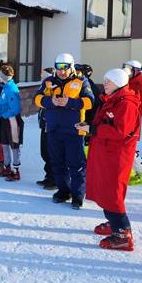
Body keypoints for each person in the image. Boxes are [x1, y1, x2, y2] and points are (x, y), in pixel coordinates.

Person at [83, 68, 140, 251]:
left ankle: (123, 233)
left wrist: (93, 130)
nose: (105, 84)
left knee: (113, 192)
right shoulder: (111, 99)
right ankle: (113, 223)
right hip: (106, 153)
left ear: (119, 83)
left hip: (116, 156)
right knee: (104, 190)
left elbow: (120, 131)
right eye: (105, 80)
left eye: (109, 81)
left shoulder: (126, 104)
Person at [34, 53, 94, 209]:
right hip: (53, 129)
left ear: (71, 67)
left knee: (76, 164)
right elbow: (37, 99)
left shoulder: (81, 81)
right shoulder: (49, 82)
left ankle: (77, 195)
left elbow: (90, 102)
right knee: (57, 162)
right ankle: (63, 191)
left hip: (74, 131)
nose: (61, 71)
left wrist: (70, 102)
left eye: (65, 68)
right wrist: (50, 101)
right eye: (58, 67)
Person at [122, 60, 142, 186]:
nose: (126, 70)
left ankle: (141, 173)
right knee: (125, 149)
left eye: (129, 68)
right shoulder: (124, 83)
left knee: (130, 150)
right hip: (122, 121)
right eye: (125, 67)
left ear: (136, 71)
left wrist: (130, 116)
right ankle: (131, 172)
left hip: (132, 123)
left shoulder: (140, 86)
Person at [0, 65, 23, 181]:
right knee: (5, 143)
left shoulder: (11, 89)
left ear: (4, 77)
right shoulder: (6, 87)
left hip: (12, 120)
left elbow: (15, 108)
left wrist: (4, 114)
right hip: (5, 120)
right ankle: (7, 167)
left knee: (14, 145)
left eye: (1, 75)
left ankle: (16, 170)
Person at [36, 67, 56, 190]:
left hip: (51, 125)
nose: (42, 78)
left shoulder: (53, 87)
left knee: (51, 153)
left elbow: (49, 102)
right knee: (44, 152)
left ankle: (54, 180)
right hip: (44, 124)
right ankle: (48, 176)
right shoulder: (43, 86)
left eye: (44, 76)